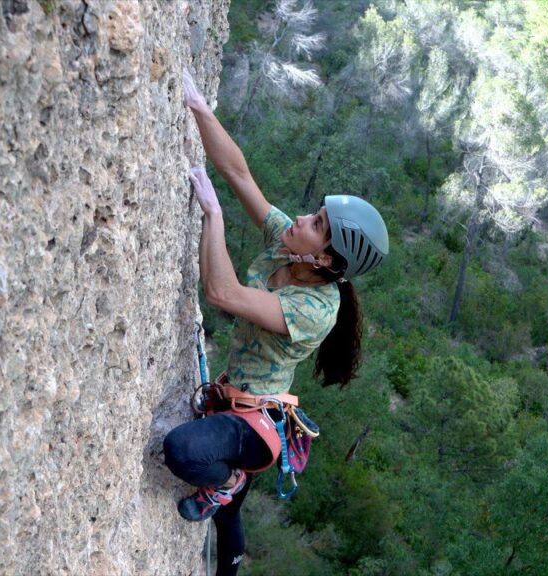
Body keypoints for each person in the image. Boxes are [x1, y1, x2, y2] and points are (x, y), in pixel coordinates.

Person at [161, 71, 389, 575]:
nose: (302, 221)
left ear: (328, 262)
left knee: (182, 452)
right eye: (314, 213)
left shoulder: (314, 309)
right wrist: (200, 109)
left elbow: (221, 293)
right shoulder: (292, 244)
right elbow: (241, 175)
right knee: (229, 526)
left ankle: (226, 483)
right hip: (232, 402)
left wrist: (213, 218)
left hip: (251, 425)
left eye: (317, 225)